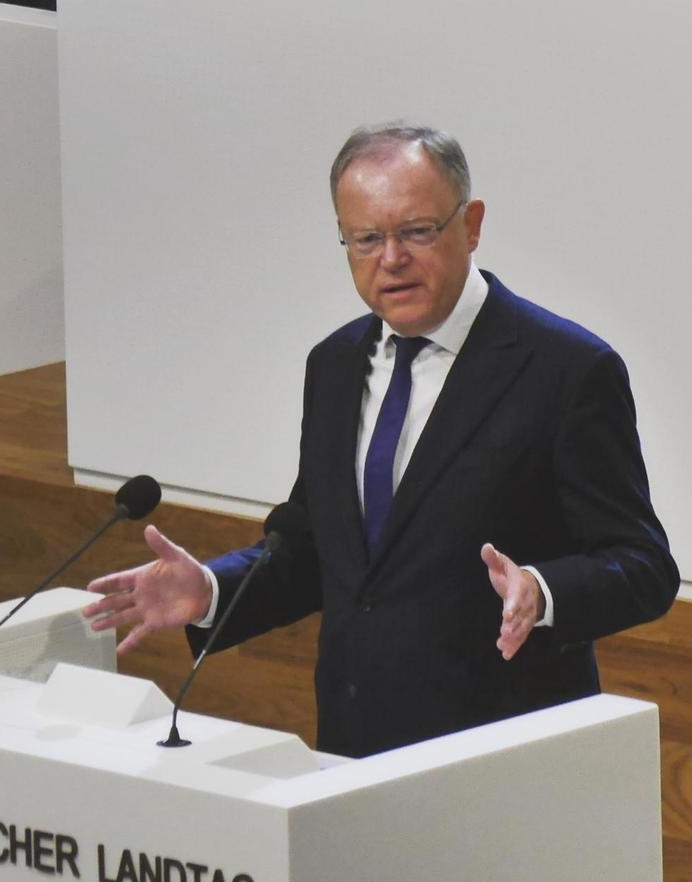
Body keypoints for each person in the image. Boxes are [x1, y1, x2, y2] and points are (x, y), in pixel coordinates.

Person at [82, 124, 679, 758]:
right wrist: (213, 590)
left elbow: (643, 565)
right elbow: (317, 550)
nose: (390, 258)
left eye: (416, 231)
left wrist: (542, 589)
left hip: (502, 757)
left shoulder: (564, 369)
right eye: (366, 238)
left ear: (471, 225)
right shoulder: (334, 366)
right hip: (354, 749)